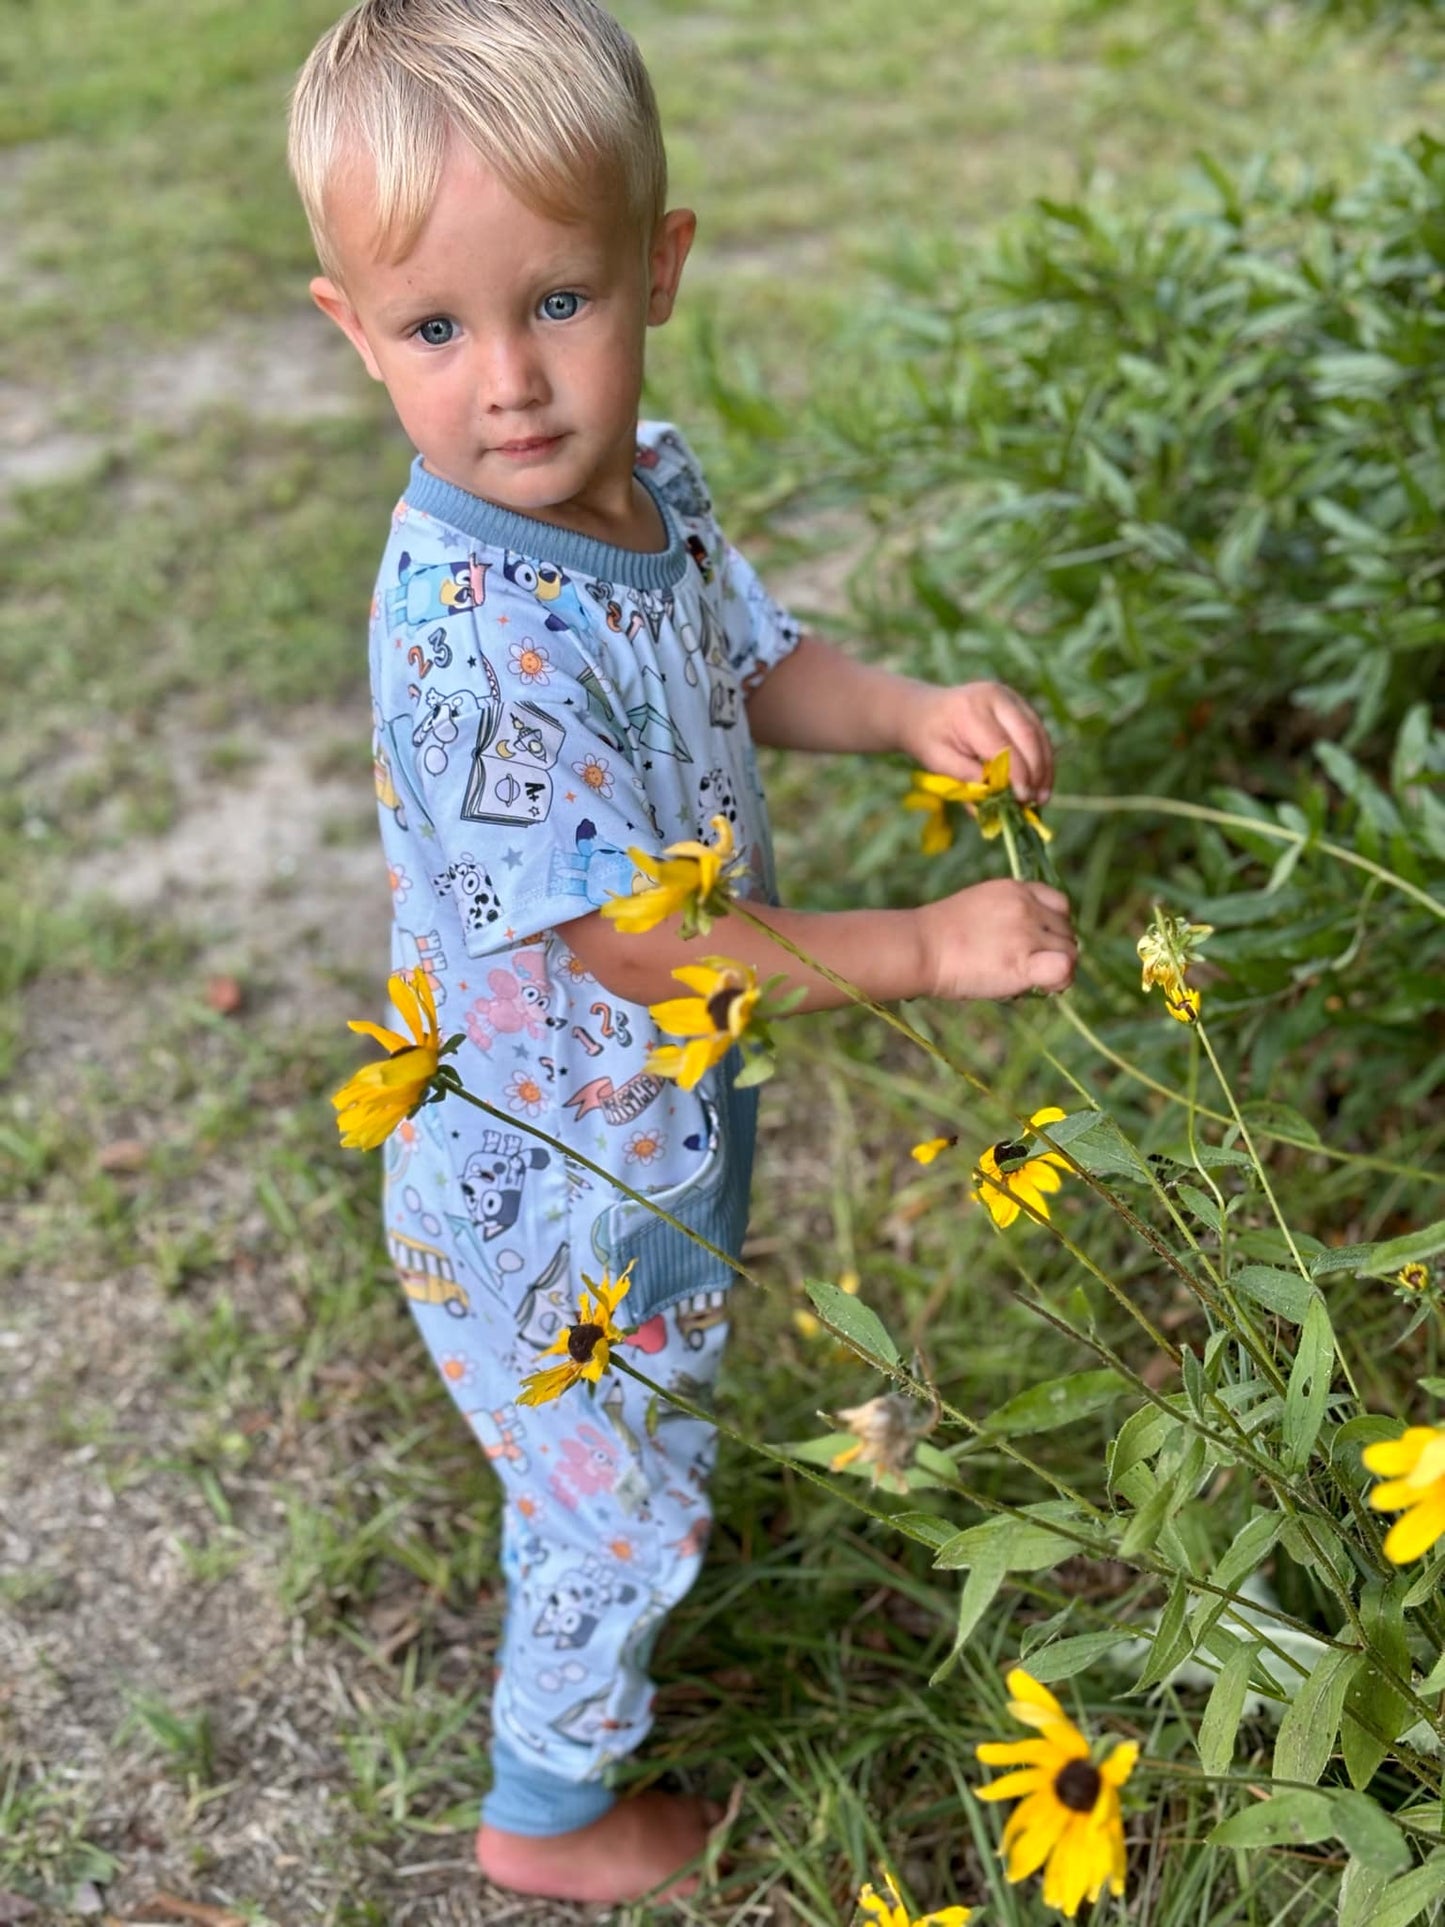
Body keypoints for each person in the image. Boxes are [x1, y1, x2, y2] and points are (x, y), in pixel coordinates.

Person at [288, 0, 1077, 1902]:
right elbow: (640, 954)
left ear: (661, 265)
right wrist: (922, 945)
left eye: (556, 302)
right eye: (434, 329)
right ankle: (545, 1816)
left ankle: (598, 1632)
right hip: (540, 1169)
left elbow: (738, 653)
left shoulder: (644, 473)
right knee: (610, 1503)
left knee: (649, 1423)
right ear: (348, 331)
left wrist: (896, 712)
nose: (512, 385)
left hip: (645, 1122)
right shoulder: (474, 632)